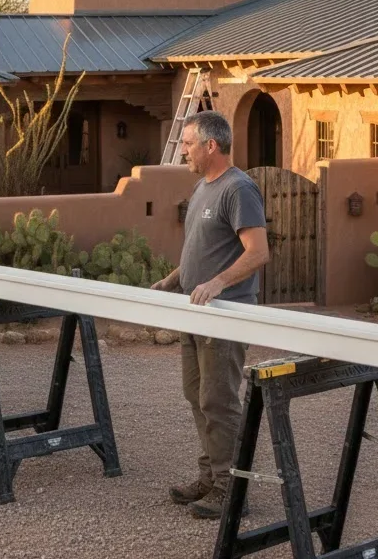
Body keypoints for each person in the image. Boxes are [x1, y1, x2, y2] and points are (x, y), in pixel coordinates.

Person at [151, 110, 269, 519]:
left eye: (187, 144)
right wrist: (173, 279)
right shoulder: (203, 187)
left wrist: (218, 284)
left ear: (211, 145)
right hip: (194, 312)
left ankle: (231, 489)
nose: (183, 150)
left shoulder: (240, 190)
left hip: (224, 314)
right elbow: (204, 252)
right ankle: (210, 477)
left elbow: (258, 252)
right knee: (197, 395)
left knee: (218, 399)